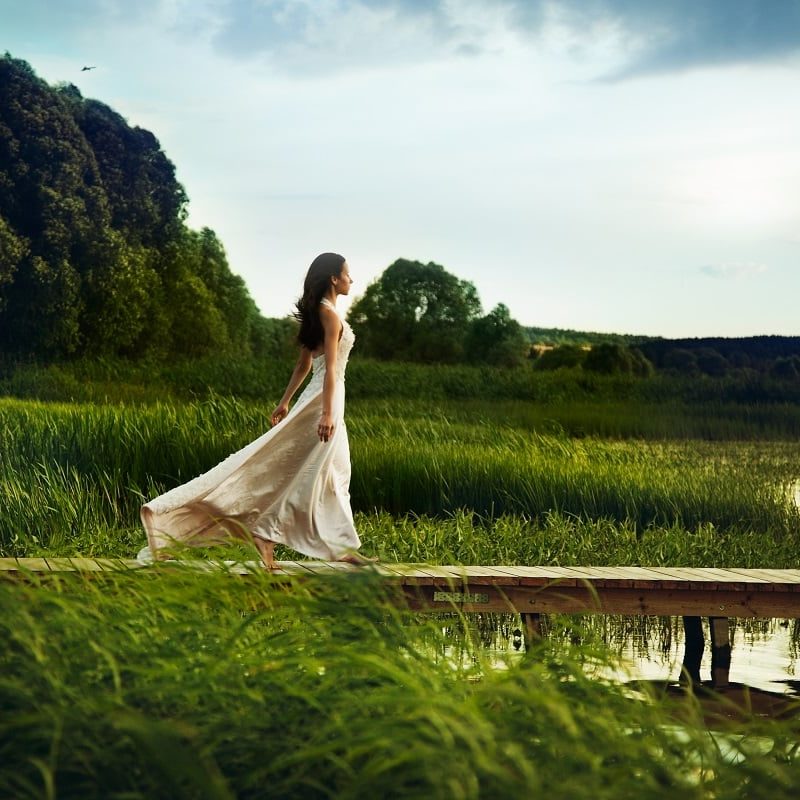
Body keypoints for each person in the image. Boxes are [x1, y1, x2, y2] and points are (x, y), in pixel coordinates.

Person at [139, 252, 376, 569]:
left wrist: (285, 401)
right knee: (308, 474)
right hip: (326, 400)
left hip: (324, 398)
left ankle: (341, 545)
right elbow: (329, 369)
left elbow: (304, 366)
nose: (351, 280)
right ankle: (267, 533)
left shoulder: (318, 313)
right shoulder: (329, 316)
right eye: (348, 274)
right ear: (334, 278)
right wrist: (326, 414)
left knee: (338, 474)